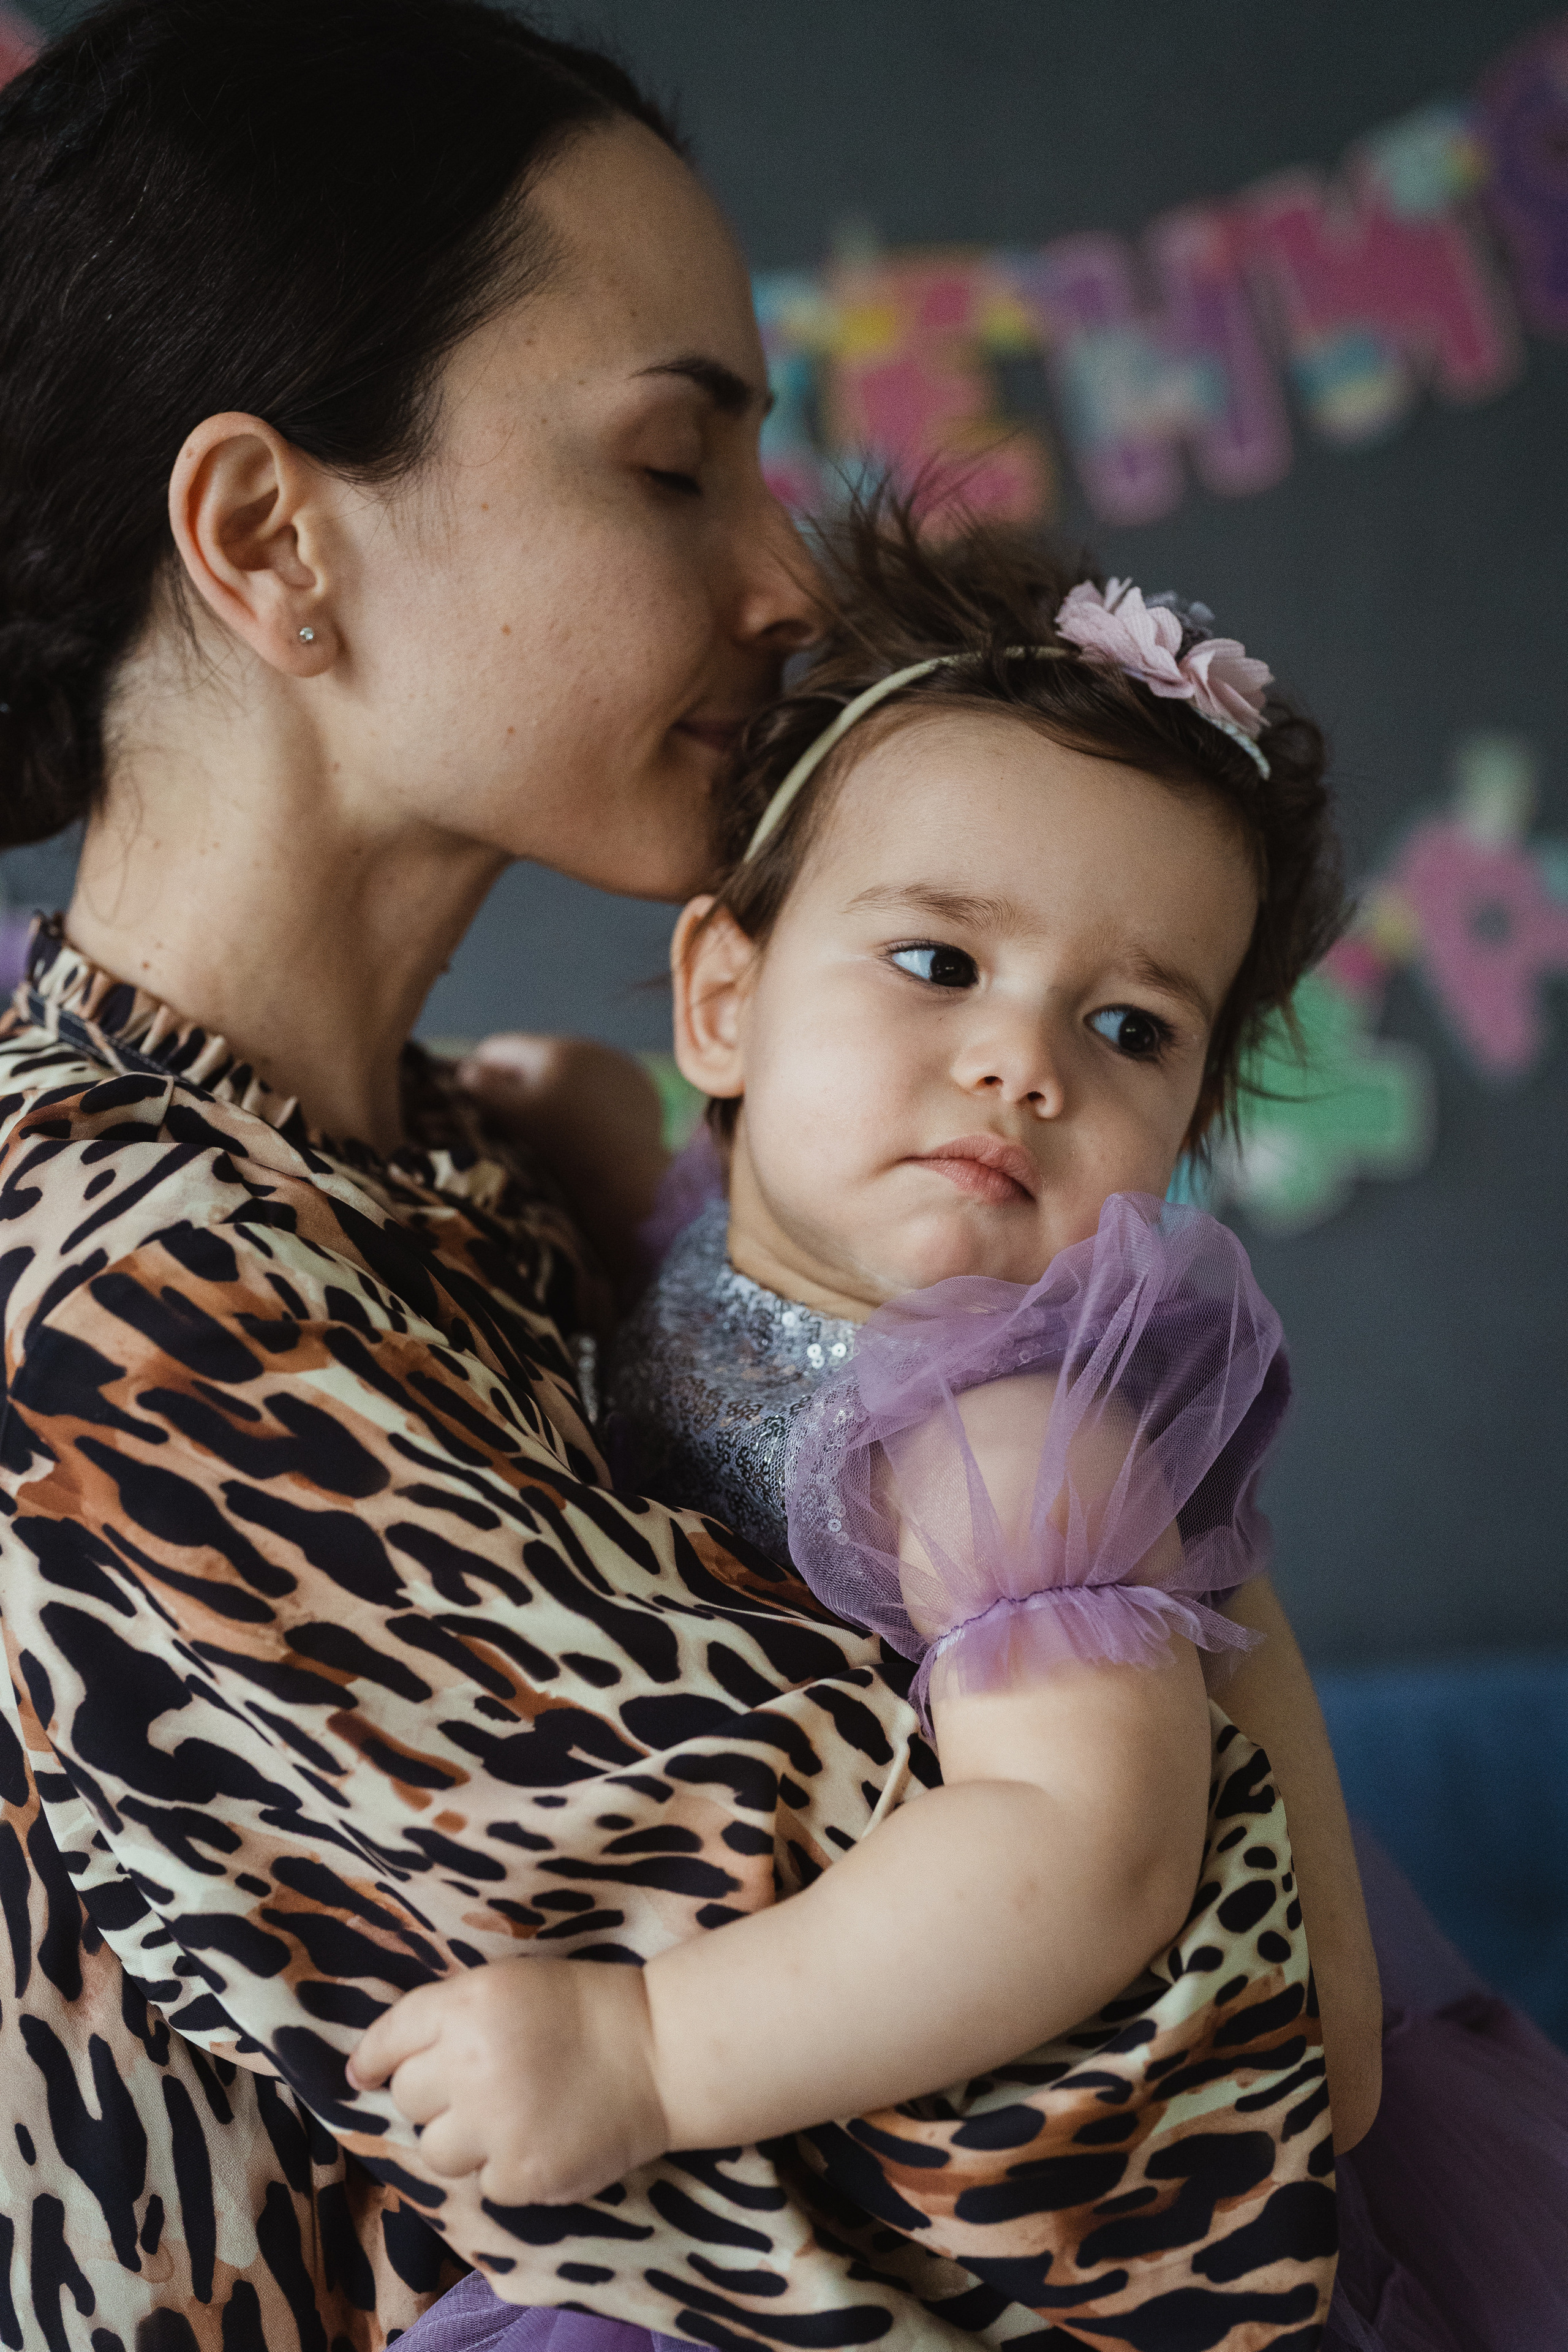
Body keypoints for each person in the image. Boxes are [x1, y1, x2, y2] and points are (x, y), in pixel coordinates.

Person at [0, 3, 1379, 2344]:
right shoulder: (120, 1308)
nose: (787, 589)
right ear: (267, 540)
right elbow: (1159, 2141)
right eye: (676, 471)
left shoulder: (464, 1176)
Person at [383, 510, 1568, 2352]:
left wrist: (653, 2053)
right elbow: (690, 1272)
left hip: (1009, 2211)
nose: (1028, 1064)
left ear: (1183, 1134)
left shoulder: (1011, 1437)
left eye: (1128, 1025)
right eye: (939, 963)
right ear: (724, 998)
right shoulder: (727, 1250)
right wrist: (566, 1125)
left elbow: (1073, 1855)